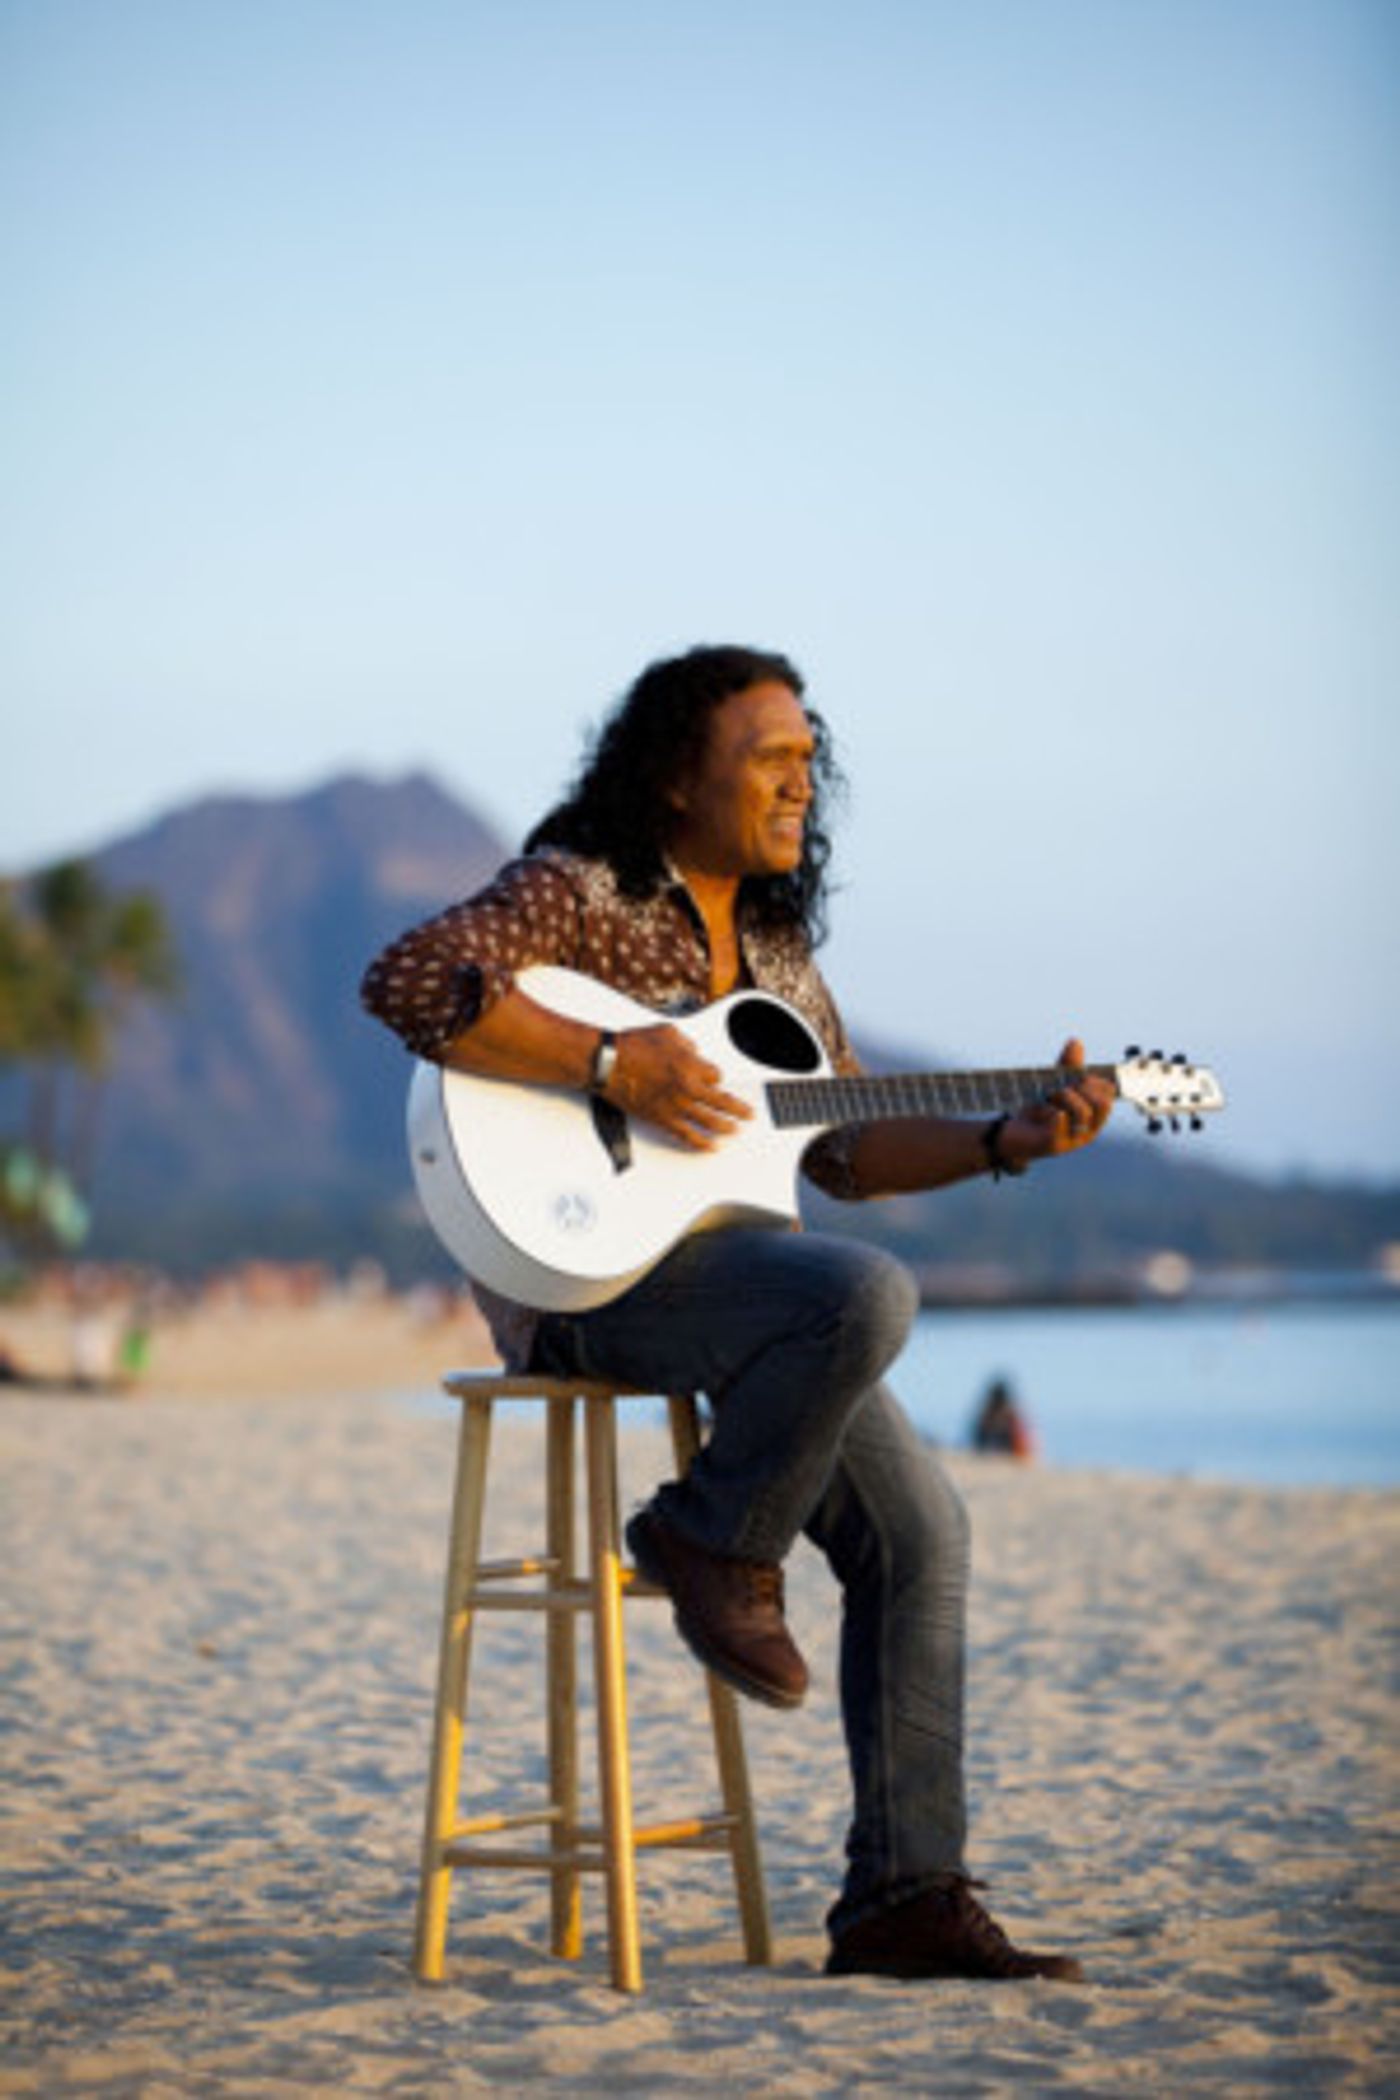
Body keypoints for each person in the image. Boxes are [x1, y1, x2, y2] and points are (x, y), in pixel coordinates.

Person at [361, 644, 1113, 1983]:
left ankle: (902, 1900)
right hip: (591, 1282)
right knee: (865, 1293)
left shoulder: (773, 952)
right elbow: (414, 982)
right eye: (770, 761)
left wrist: (1006, 1140)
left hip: (748, 1295)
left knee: (925, 1533)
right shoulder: (581, 893)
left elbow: (845, 1154)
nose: (800, 787)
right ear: (670, 780)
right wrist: (610, 1060)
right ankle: (711, 1536)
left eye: (808, 764)